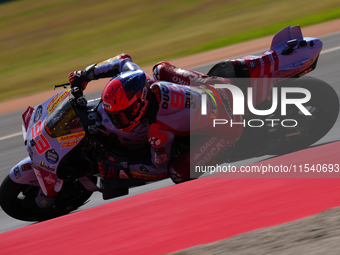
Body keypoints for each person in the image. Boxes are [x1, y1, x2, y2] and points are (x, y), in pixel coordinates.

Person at [69, 53, 243, 183]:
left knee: (176, 173)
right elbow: (122, 60)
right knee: (159, 69)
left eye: (120, 116)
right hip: (217, 87)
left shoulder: (157, 130)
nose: (115, 121)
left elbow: (158, 170)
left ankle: (226, 151)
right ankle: (209, 81)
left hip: (230, 124)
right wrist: (86, 74)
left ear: (138, 106)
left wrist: (119, 169)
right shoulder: (140, 79)